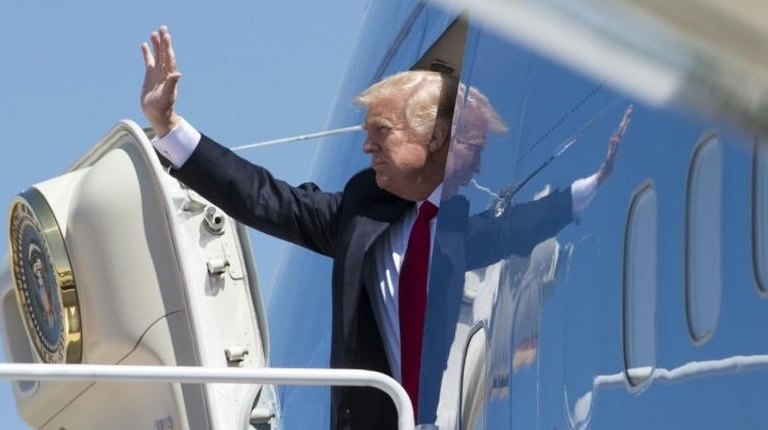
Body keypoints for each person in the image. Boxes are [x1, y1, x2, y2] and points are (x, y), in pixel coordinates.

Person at [139, 26, 627, 429]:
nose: (367, 147)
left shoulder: (455, 230)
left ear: (435, 138)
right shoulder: (358, 213)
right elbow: (264, 198)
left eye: (381, 132)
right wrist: (169, 127)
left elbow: (518, 227)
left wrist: (595, 183)